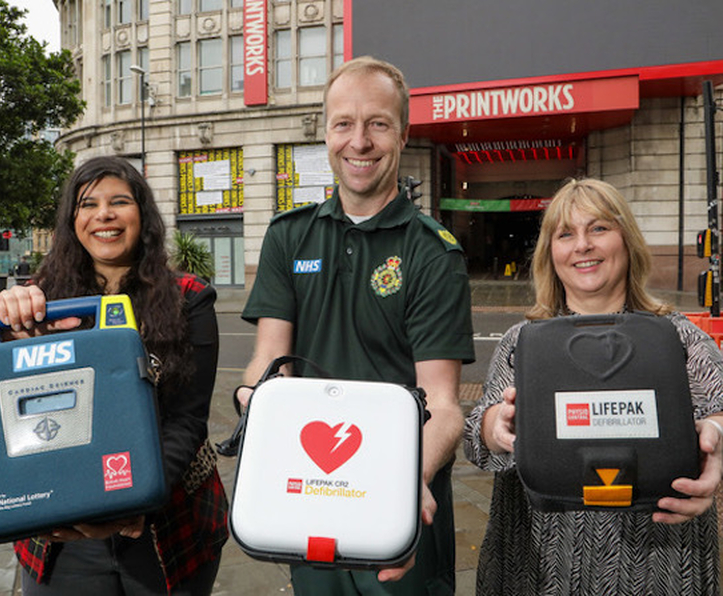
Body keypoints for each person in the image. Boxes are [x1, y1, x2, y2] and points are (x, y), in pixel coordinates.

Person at [238, 56, 475, 595]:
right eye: (343, 123)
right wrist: (252, 400)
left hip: (401, 504)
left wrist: (401, 484)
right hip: (310, 498)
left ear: (403, 133)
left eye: (378, 123)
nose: (359, 141)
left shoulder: (433, 253)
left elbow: (441, 401)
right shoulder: (287, 237)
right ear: (325, 132)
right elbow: (268, 358)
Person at [464, 177, 723, 595]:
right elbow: (476, 442)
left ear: (627, 241)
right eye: (566, 234)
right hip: (541, 564)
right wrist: (495, 426)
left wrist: (718, 441)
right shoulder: (522, 342)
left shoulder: (678, 337)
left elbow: (719, 410)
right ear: (552, 253)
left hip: (658, 561)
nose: (582, 245)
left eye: (599, 228)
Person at [0, 156, 228, 595]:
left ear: (144, 216)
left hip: (167, 523)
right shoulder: (39, 301)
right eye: (88, 204)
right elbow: (7, 409)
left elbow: (187, 422)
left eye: (120, 201)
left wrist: (135, 500)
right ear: (72, 220)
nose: (104, 215)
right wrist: (5, 326)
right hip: (59, 529)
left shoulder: (189, 299)